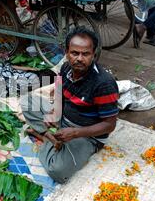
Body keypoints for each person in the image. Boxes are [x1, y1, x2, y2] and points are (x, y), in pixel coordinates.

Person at [21, 27, 119, 184]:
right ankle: (51, 139)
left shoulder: (104, 83)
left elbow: (109, 125)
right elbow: (59, 92)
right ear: (66, 52)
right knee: (28, 102)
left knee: (57, 171)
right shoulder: (66, 68)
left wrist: (75, 133)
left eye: (85, 54)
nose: (79, 58)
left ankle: (46, 137)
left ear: (93, 54)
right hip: (63, 119)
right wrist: (54, 111)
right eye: (75, 53)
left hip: (87, 136)